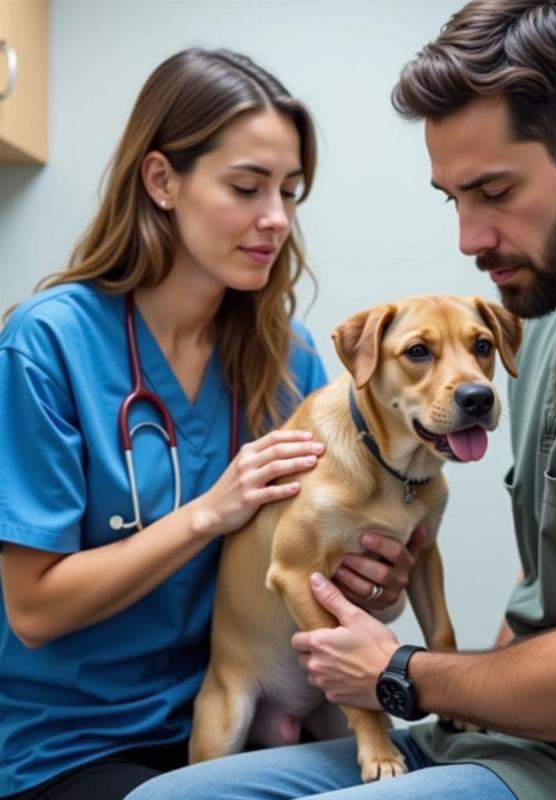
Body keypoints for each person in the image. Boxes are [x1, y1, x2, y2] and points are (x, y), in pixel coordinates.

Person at [125, 2, 556, 799]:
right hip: (506, 738)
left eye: (493, 190)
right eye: (454, 198)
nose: (469, 238)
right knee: (167, 796)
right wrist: (448, 698)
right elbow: (546, 589)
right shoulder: (548, 319)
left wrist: (403, 671)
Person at [0, 48, 421, 800]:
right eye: (246, 187)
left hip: (247, 713)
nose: (276, 220)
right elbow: (33, 609)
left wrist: (375, 582)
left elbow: (314, 573)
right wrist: (208, 514)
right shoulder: (48, 344)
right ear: (162, 180)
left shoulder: (286, 360)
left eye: (289, 192)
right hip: (78, 743)